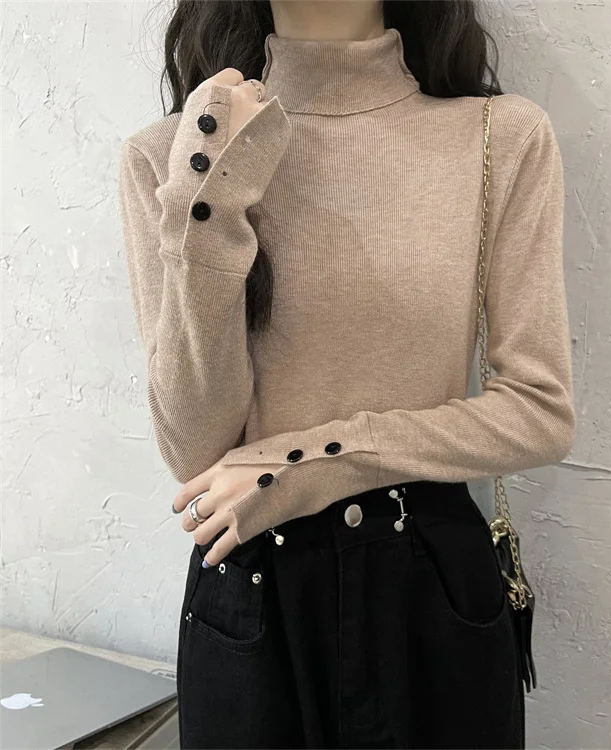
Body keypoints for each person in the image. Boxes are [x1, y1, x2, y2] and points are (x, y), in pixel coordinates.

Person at [118, 0, 575, 747]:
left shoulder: (500, 136)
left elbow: (539, 410)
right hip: (252, 597)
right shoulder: (172, 154)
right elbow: (197, 451)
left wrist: (308, 463)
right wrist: (214, 195)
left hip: (430, 589)